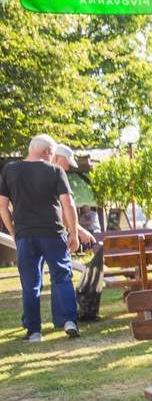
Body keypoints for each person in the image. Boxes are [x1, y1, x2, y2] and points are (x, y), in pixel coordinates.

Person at [0, 134, 82, 342]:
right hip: (53, 233)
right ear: (47, 152)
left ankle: (34, 332)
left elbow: (2, 205)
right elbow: (68, 204)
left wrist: (13, 231)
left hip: (25, 235)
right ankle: (69, 321)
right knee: (62, 277)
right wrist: (73, 233)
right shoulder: (55, 170)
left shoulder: (10, 170)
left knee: (30, 284)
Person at [50, 145, 98, 247]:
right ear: (55, 158)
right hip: (50, 236)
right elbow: (64, 209)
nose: (67, 167)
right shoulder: (54, 177)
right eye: (66, 162)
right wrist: (77, 232)